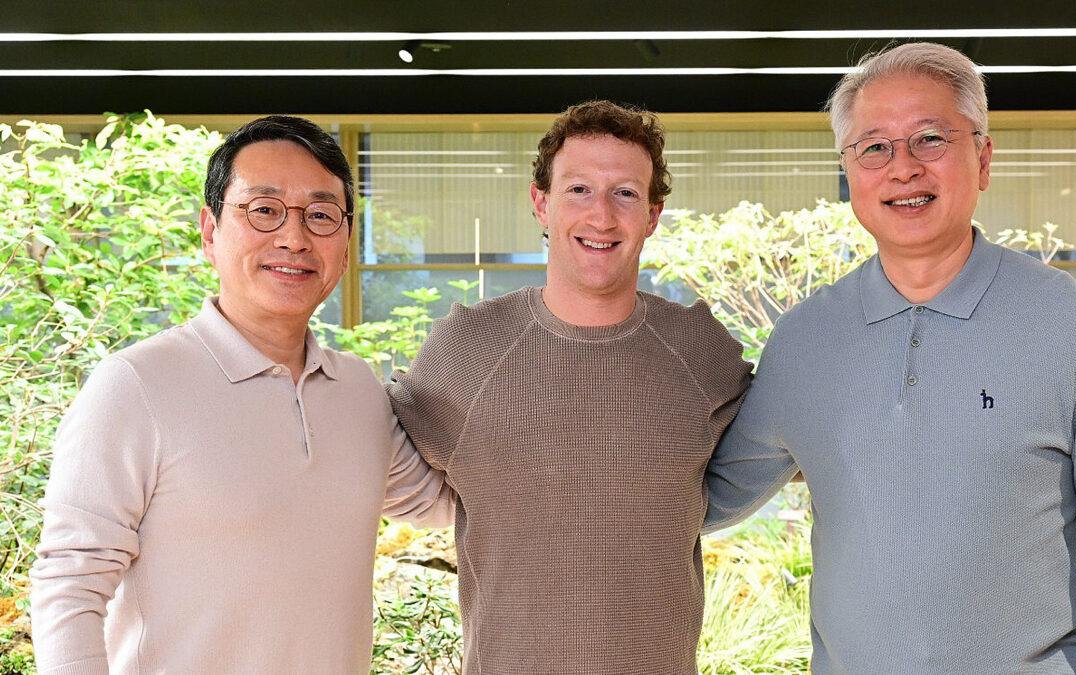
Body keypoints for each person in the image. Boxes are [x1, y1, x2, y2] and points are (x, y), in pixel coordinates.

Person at [703, 43, 1076, 674]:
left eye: (930, 138)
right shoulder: (805, 338)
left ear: (982, 158)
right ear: (850, 174)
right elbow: (703, 498)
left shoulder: (1075, 326)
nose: (903, 168)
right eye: (875, 147)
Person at [31, 115, 455, 674]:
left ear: (346, 244)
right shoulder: (135, 386)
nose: (294, 238)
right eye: (263, 210)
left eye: (322, 215)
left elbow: (445, 502)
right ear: (209, 231)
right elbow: (70, 584)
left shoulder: (359, 391)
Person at [387, 99, 752, 674]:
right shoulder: (466, 351)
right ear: (541, 203)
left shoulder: (699, 353)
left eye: (625, 194)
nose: (601, 216)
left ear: (653, 215)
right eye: (578, 189)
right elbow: (372, 453)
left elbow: (781, 447)